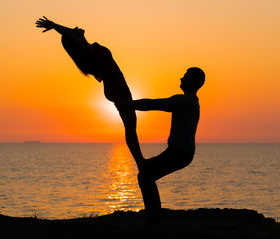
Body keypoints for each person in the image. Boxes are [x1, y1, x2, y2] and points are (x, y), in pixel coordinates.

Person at [35, 16, 145, 170]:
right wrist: (54, 26)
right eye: (74, 30)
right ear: (76, 40)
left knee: (131, 126)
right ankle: (141, 162)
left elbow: (70, 34)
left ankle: (140, 162)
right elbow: (68, 35)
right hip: (116, 87)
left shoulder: (88, 49)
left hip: (117, 86)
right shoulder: (88, 53)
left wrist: (58, 27)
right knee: (130, 125)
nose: (76, 27)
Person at [119, 67, 205, 220]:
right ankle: (154, 213)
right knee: (146, 174)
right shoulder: (189, 101)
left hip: (179, 153)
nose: (181, 78)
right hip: (178, 152)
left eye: (185, 76)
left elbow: (153, 104)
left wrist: (128, 105)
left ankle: (153, 215)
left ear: (193, 81)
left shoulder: (185, 101)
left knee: (145, 176)